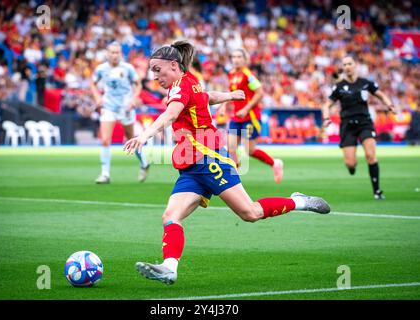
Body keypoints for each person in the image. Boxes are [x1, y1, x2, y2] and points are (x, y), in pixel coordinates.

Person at [124, 40, 330, 285]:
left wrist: (144, 136)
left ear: (173, 65)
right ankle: (169, 268)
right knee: (170, 215)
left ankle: (299, 201)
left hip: (211, 160)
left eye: (157, 70)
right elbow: (206, 97)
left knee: (250, 213)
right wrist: (230, 95)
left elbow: (170, 115)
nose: (154, 76)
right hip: (191, 167)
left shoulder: (180, 87)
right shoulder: (189, 82)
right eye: (152, 71)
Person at [322, 55, 397, 200]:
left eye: (350, 63)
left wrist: (390, 105)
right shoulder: (338, 87)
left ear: (355, 65)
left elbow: (381, 95)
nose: (347, 66)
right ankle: (351, 168)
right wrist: (326, 118)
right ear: (343, 68)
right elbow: (327, 104)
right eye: (345, 64)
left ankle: (377, 191)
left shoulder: (365, 83)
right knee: (350, 163)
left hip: (365, 123)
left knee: (370, 155)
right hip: (347, 126)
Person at [90, 41, 150, 184]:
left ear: (120, 54)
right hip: (108, 106)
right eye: (112, 52)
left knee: (130, 138)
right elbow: (92, 83)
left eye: (117, 52)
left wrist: (134, 99)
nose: (115, 55)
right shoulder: (101, 69)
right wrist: (97, 97)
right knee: (105, 139)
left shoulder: (128, 68)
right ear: (107, 53)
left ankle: (144, 163)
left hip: (125, 107)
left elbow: (138, 84)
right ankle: (105, 174)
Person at [222, 48, 283, 183]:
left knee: (249, 150)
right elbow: (232, 93)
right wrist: (223, 105)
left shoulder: (248, 75)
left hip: (250, 116)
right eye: (233, 57)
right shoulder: (231, 74)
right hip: (236, 116)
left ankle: (275, 163)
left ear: (245, 60)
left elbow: (260, 93)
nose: (236, 59)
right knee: (231, 148)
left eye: (239, 57)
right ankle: (234, 180)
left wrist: (246, 108)